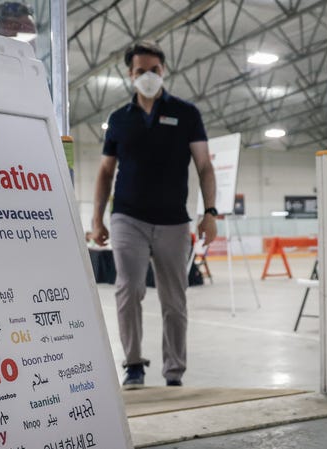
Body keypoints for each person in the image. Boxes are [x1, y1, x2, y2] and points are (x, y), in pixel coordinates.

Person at [91, 41, 217, 389]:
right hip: (127, 217)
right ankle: (133, 365)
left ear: (164, 71)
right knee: (128, 290)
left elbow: (205, 166)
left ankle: (174, 372)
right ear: (130, 75)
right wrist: (97, 218)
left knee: (174, 300)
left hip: (174, 221)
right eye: (140, 71)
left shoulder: (186, 113)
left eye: (154, 70)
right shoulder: (118, 120)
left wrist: (210, 212)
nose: (148, 76)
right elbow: (105, 172)